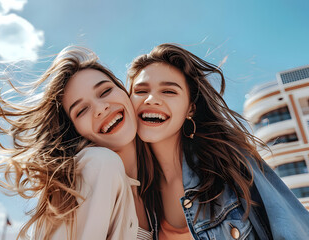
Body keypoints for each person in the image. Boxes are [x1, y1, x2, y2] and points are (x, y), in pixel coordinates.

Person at [0, 46, 154, 239]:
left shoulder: (151, 190)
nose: (100, 108)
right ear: (75, 131)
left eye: (105, 91)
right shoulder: (99, 164)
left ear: (124, 91)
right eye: (81, 110)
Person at [127, 43, 309, 239]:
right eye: (141, 91)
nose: (151, 99)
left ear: (191, 109)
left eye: (169, 91)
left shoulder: (231, 164)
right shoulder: (134, 188)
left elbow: (294, 231)